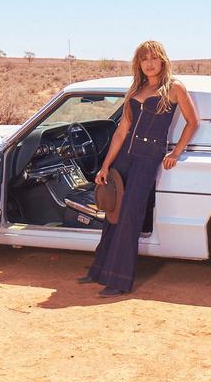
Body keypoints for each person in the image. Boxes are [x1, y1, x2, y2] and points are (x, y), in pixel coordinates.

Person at [77, 40, 199, 297]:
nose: (150, 63)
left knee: (130, 215)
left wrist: (175, 153)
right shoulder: (135, 89)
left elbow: (192, 122)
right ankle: (98, 271)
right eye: (145, 59)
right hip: (124, 158)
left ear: (162, 61)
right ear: (139, 64)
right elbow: (122, 131)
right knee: (113, 212)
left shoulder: (174, 88)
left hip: (148, 158)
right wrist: (106, 165)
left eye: (154, 58)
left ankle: (119, 280)